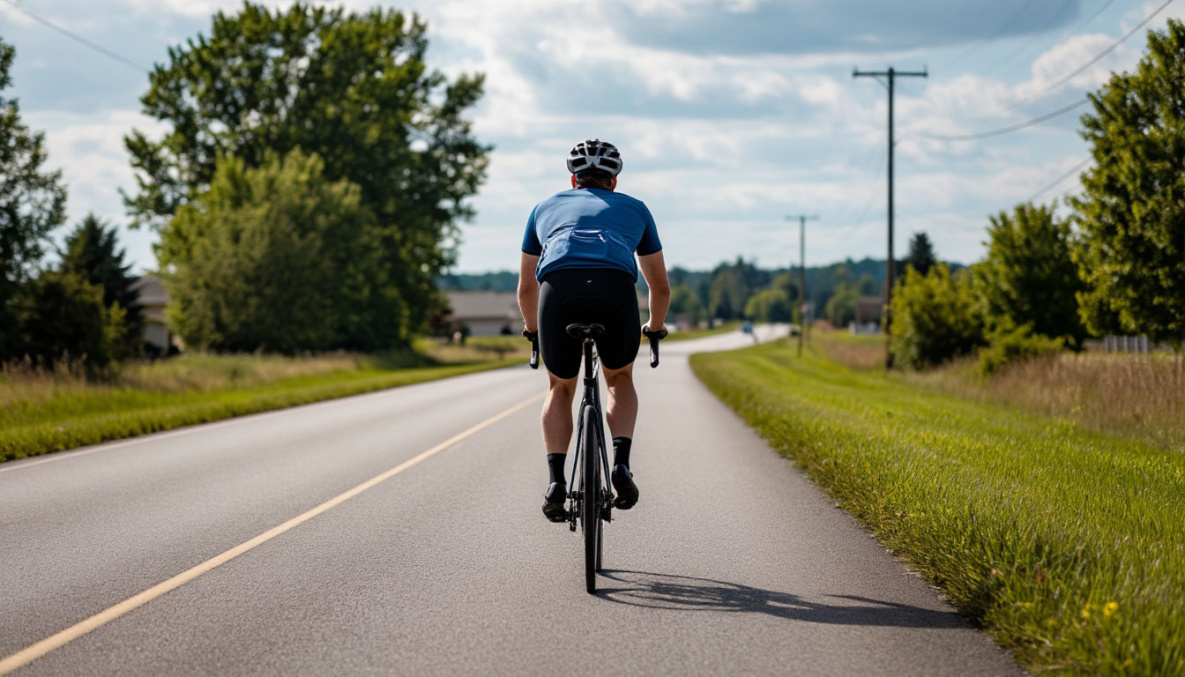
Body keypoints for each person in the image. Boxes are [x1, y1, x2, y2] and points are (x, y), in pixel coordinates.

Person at [517, 139, 670, 523]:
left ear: (573, 179)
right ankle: (621, 464)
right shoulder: (637, 209)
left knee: (560, 387)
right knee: (618, 378)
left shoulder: (543, 208)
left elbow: (525, 289)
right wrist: (655, 327)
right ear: (614, 182)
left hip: (559, 292)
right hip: (614, 292)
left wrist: (534, 331)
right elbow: (660, 287)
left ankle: (555, 480)